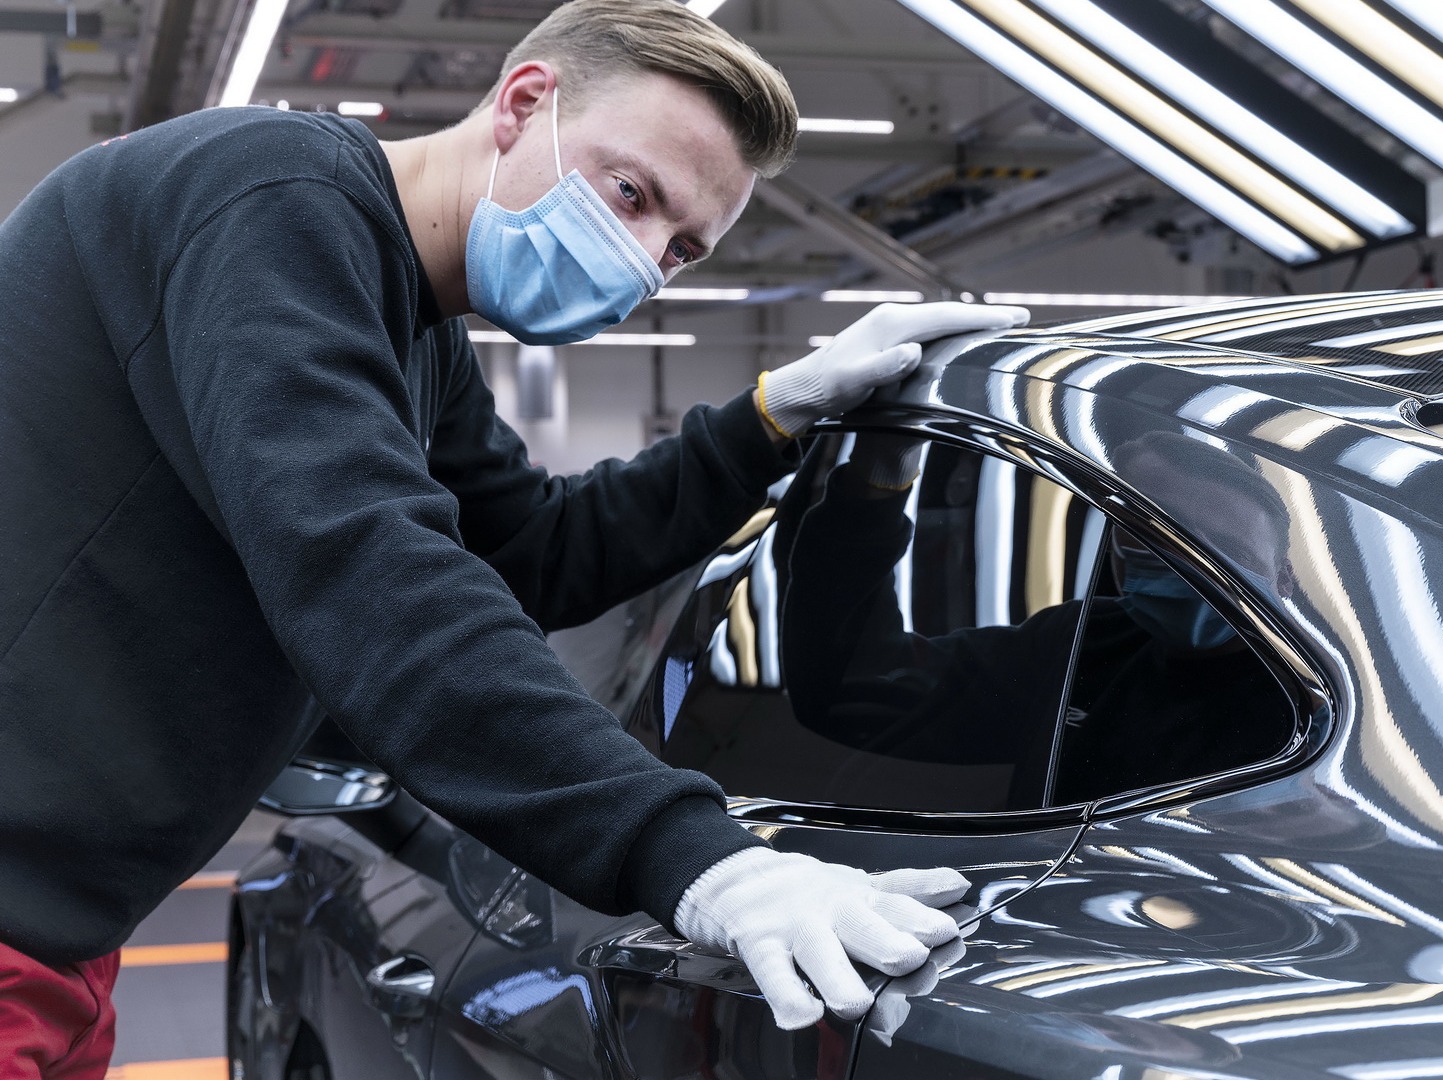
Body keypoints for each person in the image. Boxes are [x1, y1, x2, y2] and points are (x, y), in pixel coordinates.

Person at [0, 0, 1027, 1070]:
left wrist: (770, 417)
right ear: (524, 102)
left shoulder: (418, 332)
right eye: (632, 194)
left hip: (63, 938)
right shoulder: (269, 199)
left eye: (681, 249)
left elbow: (536, 550)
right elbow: (374, 579)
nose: (643, 263)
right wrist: (698, 857)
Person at [778, 432, 1304, 808]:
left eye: (1226, 552)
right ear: (1114, 550)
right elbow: (856, 687)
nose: (1188, 569)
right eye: (1153, 540)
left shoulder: (1322, 704)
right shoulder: (1079, 646)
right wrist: (875, 485)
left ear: (1284, 577)